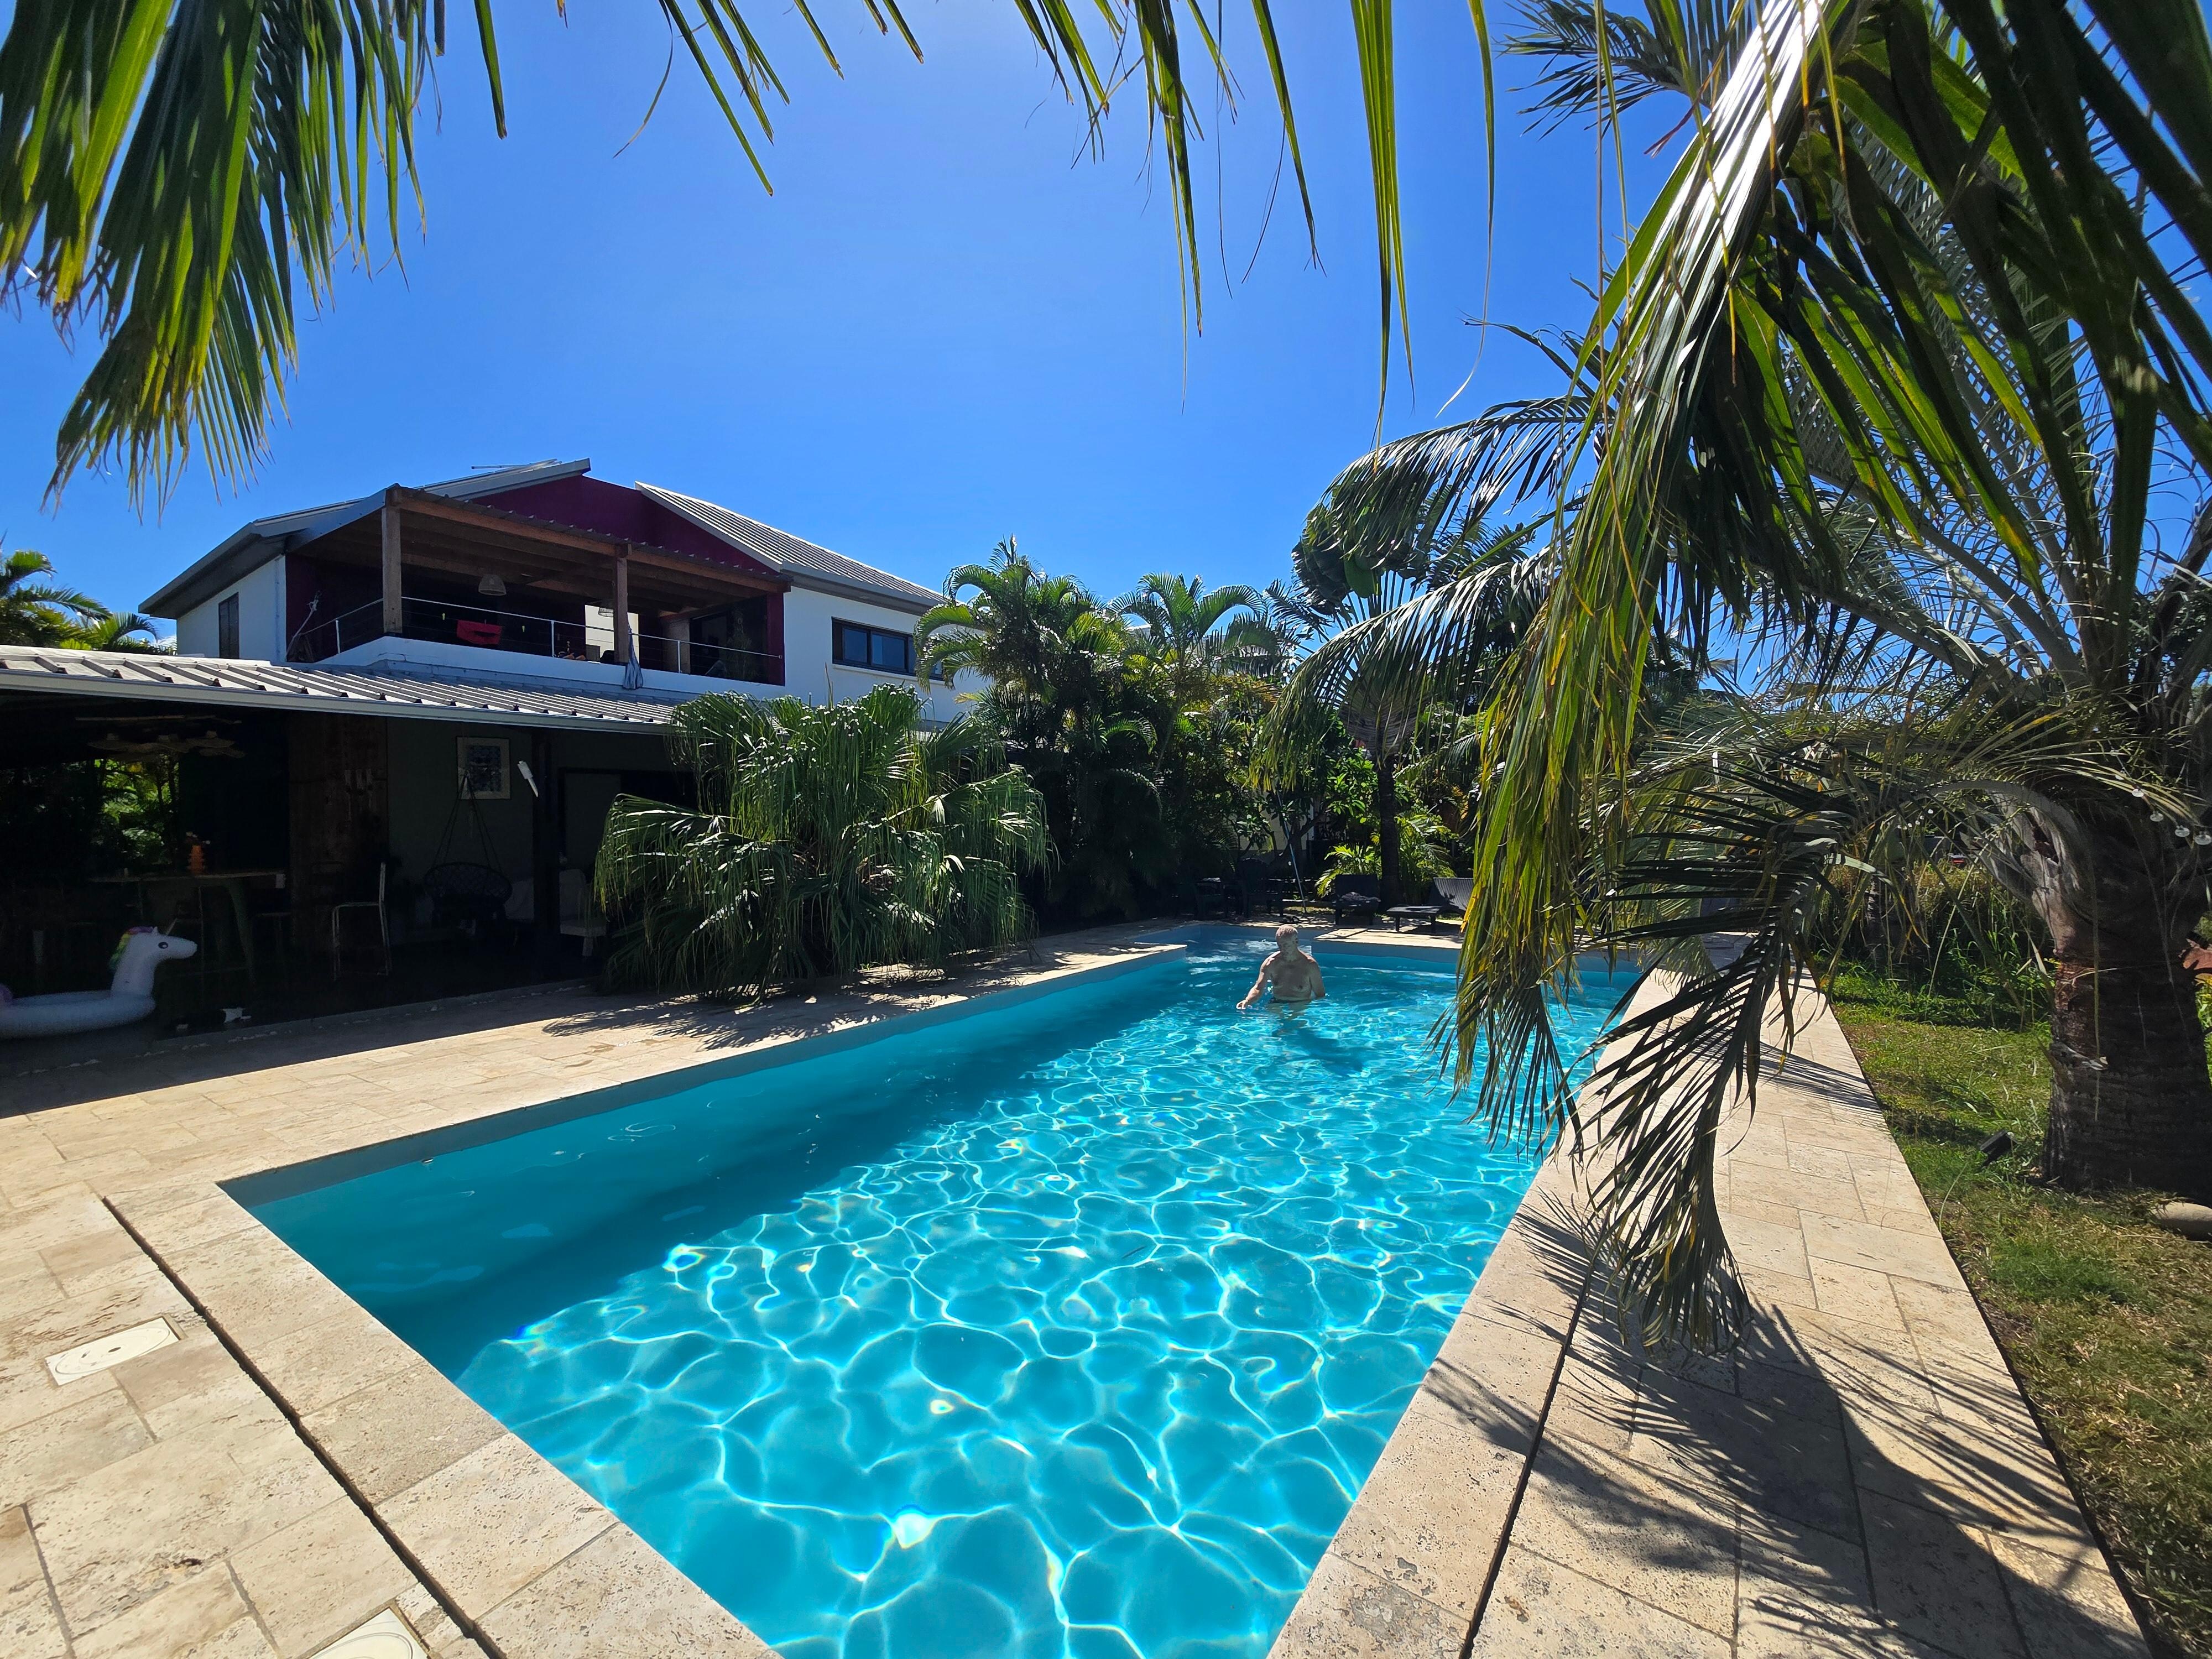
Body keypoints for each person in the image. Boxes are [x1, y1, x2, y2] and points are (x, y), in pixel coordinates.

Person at [1240, 924, 1327, 1011]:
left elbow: (1320, 995)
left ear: (1296, 942)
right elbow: (1259, 988)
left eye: (1286, 945)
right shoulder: (1271, 963)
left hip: (1301, 1002)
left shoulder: (1310, 965)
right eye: (1280, 945)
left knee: (1296, 1018)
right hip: (1277, 1001)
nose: (1283, 949)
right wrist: (1248, 1001)